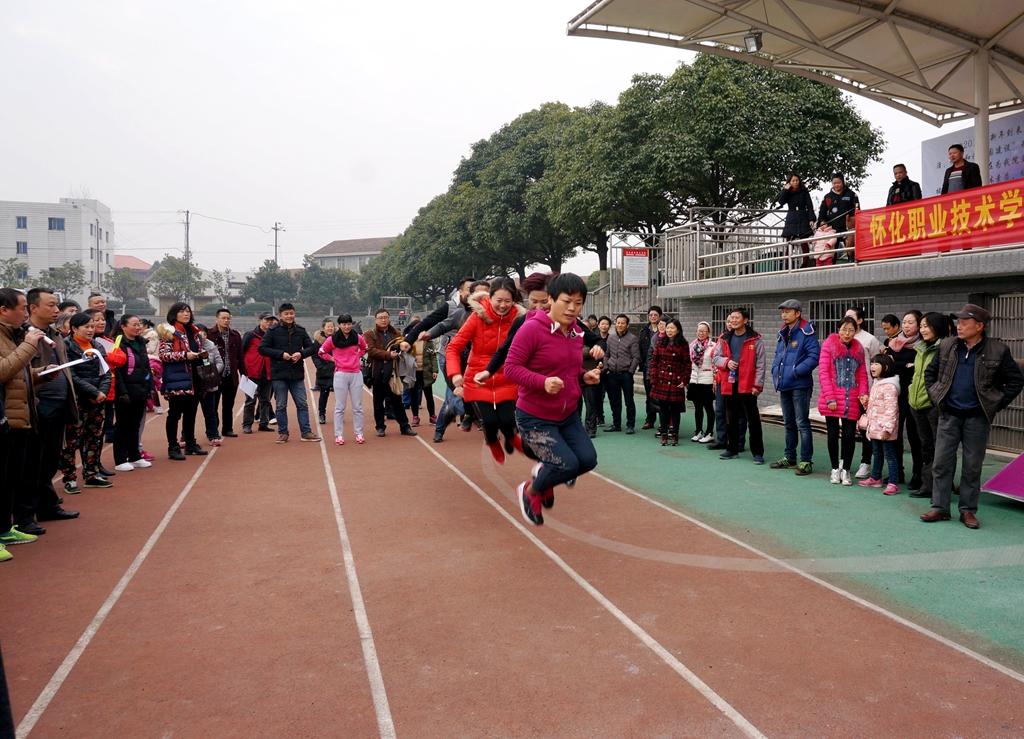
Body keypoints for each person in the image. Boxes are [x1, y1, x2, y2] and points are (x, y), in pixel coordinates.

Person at [504, 274, 602, 526]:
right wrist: (542, 381)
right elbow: (511, 368)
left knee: (587, 460)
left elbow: (569, 369)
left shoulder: (576, 331)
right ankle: (531, 491)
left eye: (578, 303)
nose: (572, 309)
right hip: (535, 416)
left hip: (567, 415)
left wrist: (583, 376)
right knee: (566, 466)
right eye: (567, 301)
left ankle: (545, 476)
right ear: (551, 299)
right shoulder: (531, 329)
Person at [921, 304, 1024, 528]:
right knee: (941, 463)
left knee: (972, 466)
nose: (959, 326)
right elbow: (930, 372)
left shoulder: (998, 350)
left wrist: (996, 403)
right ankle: (940, 507)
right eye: (958, 322)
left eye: (964, 322)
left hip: (977, 418)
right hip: (949, 414)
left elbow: (1016, 380)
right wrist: (935, 395)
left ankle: (967, 510)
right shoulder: (947, 345)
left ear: (979, 326)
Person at [447, 277, 526, 464]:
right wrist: (455, 374)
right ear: (490, 298)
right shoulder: (477, 317)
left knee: (508, 421)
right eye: (499, 300)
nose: (503, 305)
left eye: (508, 301)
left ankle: (512, 438)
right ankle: (492, 441)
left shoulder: (519, 319)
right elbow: (453, 348)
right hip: (479, 377)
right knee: (489, 422)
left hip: (507, 375)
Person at [24, 288, 79, 528]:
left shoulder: (55, 334)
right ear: (33, 308)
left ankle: (47, 506)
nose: (56, 310)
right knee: (32, 462)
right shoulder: (24, 335)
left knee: (50, 459)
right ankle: (27, 514)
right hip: (38, 405)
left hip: (60, 404)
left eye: (57, 305)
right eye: (50, 305)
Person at [0, 287, 47, 558]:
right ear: (4, 310)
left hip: (19, 416)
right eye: (22, 308)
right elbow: (3, 371)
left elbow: (16, 373)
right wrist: (29, 345)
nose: (25, 314)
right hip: (6, 416)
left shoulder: (11, 335)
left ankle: (5, 528)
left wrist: (40, 374)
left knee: (10, 478)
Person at [62, 311, 115, 486]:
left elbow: (106, 372)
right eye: (87, 327)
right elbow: (71, 375)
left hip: (97, 400)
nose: (91, 330)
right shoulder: (66, 346)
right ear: (74, 328)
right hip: (77, 400)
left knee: (94, 438)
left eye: (92, 326)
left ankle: (91, 474)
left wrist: (102, 393)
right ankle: (70, 478)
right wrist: (93, 392)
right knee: (72, 440)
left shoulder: (97, 346)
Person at [769, 299, 820, 475]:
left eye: (787, 311)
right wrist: (775, 369)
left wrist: (796, 371)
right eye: (782, 312)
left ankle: (806, 460)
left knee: (802, 423)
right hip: (784, 384)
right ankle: (790, 457)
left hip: (800, 385)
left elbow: (814, 357)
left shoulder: (807, 332)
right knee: (789, 423)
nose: (784, 315)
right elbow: (778, 354)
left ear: (797, 313)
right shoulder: (783, 331)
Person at [259, 303, 321, 443]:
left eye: (291, 313)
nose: (289, 316)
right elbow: (262, 348)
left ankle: (306, 432)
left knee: (302, 404)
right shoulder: (273, 331)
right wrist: (281, 354)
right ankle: (283, 433)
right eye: (286, 314)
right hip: (279, 374)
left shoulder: (300, 330)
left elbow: (312, 348)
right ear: (280, 315)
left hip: (296, 374)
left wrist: (301, 354)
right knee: (281, 405)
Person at [818, 317, 869, 486]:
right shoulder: (829, 345)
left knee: (849, 435)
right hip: (832, 397)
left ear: (855, 331)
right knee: (833, 434)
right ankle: (834, 468)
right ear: (838, 329)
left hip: (852, 398)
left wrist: (863, 394)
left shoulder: (859, 348)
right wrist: (830, 398)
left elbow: (862, 374)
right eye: (844, 329)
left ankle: (846, 469)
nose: (847, 333)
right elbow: (824, 373)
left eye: (851, 330)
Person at [907, 312, 952, 501]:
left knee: (939, 448)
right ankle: (928, 485)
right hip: (917, 404)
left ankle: (940, 488)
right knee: (926, 447)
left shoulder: (945, 348)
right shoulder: (920, 347)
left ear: (938, 327)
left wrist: (935, 399)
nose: (923, 329)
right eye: (922, 326)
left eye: (927, 326)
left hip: (934, 405)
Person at [714, 308, 765, 464]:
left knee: (753, 420)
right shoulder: (724, 338)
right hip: (730, 384)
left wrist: (758, 385)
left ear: (745, 320)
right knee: (731, 419)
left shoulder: (755, 339)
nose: (733, 320)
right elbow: (716, 357)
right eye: (732, 318)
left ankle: (757, 453)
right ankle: (732, 449)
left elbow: (761, 364)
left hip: (748, 385)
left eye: (737, 318)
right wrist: (726, 362)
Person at [159, 303, 209, 460]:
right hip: (178, 379)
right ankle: (173, 447)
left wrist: (203, 356)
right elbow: (163, 355)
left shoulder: (194, 332)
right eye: (182, 311)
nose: (186, 314)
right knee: (174, 414)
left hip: (195, 378)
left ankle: (190, 444)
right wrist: (184, 355)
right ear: (174, 314)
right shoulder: (169, 332)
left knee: (191, 413)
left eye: (188, 311)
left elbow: (197, 351)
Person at [885, 311, 924, 487]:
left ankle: (918, 474)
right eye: (904, 322)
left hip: (914, 395)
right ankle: (896, 472)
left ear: (919, 325)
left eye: (910, 322)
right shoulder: (894, 343)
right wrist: (906, 366)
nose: (906, 325)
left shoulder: (923, 345)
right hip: (895, 394)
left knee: (915, 436)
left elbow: (918, 369)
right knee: (895, 434)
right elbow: (887, 366)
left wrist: (898, 365)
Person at [112, 314, 154, 472]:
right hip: (125, 391)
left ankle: (135, 456)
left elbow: (146, 366)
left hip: (140, 389)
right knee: (123, 425)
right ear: (123, 326)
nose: (138, 327)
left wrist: (150, 386)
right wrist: (122, 392)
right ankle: (120, 459)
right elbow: (117, 370)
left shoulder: (141, 342)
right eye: (134, 325)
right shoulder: (118, 342)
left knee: (135, 425)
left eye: (139, 324)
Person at [364, 308, 416, 437]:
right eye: (380, 318)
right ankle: (380, 427)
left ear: (389, 318)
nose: (383, 320)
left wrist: (404, 348)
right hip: (377, 372)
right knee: (378, 402)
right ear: (376, 320)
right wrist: (388, 355)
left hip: (393, 373)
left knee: (397, 401)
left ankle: (405, 427)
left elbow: (404, 347)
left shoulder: (396, 333)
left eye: (385, 317)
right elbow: (371, 351)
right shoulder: (370, 334)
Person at [318, 314, 368, 445]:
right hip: (340, 374)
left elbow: (365, 348)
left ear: (351, 324)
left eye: (349, 324)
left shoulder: (357, 337)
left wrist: (358, 356)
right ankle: (339, 435)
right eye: (344, 324)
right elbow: (321, 352)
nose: (347, 326)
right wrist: (332, 359)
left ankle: (359, 433)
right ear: (339, 325)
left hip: (356, 373)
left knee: (358, 407)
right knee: (340, 407)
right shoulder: (332, 339)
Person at [858, 354, 901, 495]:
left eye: (876, 364)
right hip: (875, 427)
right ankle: (876, 478)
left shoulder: (889, 386)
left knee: (890, 455)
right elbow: (876, 406)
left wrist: (887, 429)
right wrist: (866, 403)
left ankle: (893, 483)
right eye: (872, 363)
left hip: (884, 429)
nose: (872, 366)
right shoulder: (877, 383)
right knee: (877, 453)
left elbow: (891, 409)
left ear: (886, 367)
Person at [846, 306, 880, 479]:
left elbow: (876, 364)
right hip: (846, 390)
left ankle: (865, 462)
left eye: (851, 317)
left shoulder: (869, 339)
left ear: (860, 320)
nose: (847, 320)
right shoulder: (842, 338)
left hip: (865, 390)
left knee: (865, 426)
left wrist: (873, 388)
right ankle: (845, 462)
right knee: (848, 428)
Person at [649, 319, 692, 446]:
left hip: (676, 379)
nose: (669, 330)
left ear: (678, 330)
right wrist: (653, 377)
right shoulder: (660, 342)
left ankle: (675, 434)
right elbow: (654, 361)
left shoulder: (683, 344)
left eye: (672, 328)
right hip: (661, 379)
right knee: (663, 409)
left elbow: (687, 364)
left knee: (675, 409)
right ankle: (664, 433)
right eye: (668, 328)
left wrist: (685, 379)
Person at [206, 308, 243, 438]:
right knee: (213, 405)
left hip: (230, 375)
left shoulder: (235, 335)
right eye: (223, 318)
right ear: (217, 319)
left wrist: (243, 373)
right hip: (215, 375)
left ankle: (227, 429)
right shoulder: (210, 334)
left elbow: (240, 355)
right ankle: (213, 430)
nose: (226, 320)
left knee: (228, 404)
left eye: (228, 318)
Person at [604, 314, 640, 434]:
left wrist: (630, 372)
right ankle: (616, 424)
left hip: (626, 374)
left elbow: (636, 357)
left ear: (627, 325)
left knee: (629, 401)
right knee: (615, 401)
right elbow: (606, 355)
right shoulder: (611, 338)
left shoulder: (633, 338)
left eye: (622, 323)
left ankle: (630, 425)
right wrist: (606, 367)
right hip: (612, 374)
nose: (619, 325)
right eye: (618, 322)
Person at [241, 312, 274, 433]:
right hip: (251, 372)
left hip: (268, 372)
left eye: (271, 321)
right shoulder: (250, 335)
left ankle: (263, 424)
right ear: (260, 321)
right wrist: (243, 370)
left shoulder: (273, 336)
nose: (269, 322)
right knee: (250, 400)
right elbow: (242, 351)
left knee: (265, 400)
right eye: (266, 320)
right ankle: (247, 424)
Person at [194, 323, 225, 446]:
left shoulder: (211, 345)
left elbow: (220, 362)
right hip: (194, 384)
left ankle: (213, 435)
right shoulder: (189, 345)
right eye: (199, 334)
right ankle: (185, 436)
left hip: (208, 384)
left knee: (210, 411)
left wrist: (212, 374)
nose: (202, 336)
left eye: (204, 334)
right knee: (190, 412)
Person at [816, 174, 860, 260]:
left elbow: (857, 210)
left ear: (843, 182)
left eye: (838, 183)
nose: (836, 185)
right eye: (834, 183)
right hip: (832, 230)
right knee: (831, 254)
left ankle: (852, 262)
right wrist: (822, 222)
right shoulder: (827, 197)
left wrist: (852, 221)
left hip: (847, 228)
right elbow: (822, 213)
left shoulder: (852, 194)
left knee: (851, 252)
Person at [777, 174, 816, 268]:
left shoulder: (804, 191)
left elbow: (809, 205)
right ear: (789, 182)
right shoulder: (787, 192)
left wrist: (811, 218)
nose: (795, 182)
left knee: (804, 241)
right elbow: (781, 201)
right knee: (789, 242)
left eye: (797, 180)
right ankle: (787, 263)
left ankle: (805, 263)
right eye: (793, 181)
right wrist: (785, 190)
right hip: (792, 217)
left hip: (803, 216)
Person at [582, 316, 610, 438]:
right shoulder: (572, 339)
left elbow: (601, 356)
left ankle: (591, 429)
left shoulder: (595, 341)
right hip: (575, 376)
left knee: (591, 405)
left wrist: (600, 366)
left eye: (585, 328)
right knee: (575, 405)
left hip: (591, 376)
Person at [688, 321, 715, 443]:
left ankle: (709, 433)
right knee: (697, 407)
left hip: (707, 380)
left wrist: (715, 380)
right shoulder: (692, 345)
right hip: (694, 379)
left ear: (708, 332)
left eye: (704, 331)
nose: (701, 333)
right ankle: (698, 431)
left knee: (708, 407)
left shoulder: (713, 346)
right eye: (699, 331)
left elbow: (715, 365)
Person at [638, 306, 663, 431]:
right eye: (651, 315)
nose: (653, 317)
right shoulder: (644, 331)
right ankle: (650, 420)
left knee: (661, 395)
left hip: (661, 368)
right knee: (649, 395)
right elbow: (640, 349)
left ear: (660, 316)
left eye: (655, 315)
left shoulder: (664, 330)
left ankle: (663, 421)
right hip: (647, 367)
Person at [311, 318, 336, 426]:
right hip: (324, 371)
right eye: (328, 326)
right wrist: (321, 367)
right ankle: (322, 414)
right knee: (324, 394)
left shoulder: (338, 338)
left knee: (340, 395)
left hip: (337, 370)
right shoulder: (318, 341)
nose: (330, 328)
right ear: (323, 328)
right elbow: (315, 356)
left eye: (332, 326)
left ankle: (338, 414)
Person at [409, 334, 437, 427]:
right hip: (413, 373)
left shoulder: (429, 342)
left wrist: (435, 370)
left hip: (426, 373)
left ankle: (432, 416)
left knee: (429, 395)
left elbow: (433, 356)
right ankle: (415, 417)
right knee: (413, 396)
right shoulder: (409, 341)